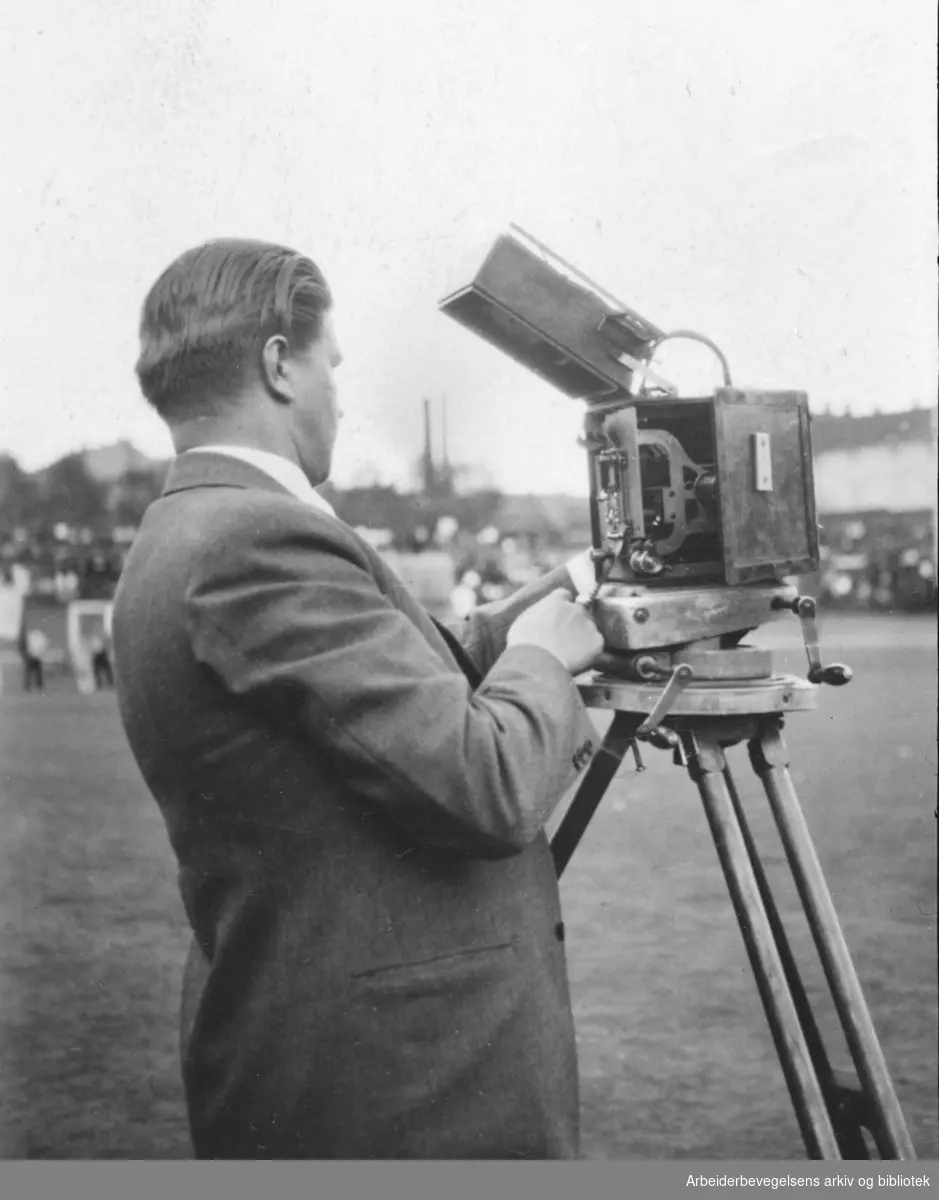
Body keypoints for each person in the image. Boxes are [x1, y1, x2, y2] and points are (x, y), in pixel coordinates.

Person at [111, 238, 605, 1161]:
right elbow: (483, 781)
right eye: (330, 364)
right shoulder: (255, 537)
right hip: (400, 1081)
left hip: (335, 1045)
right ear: (277, 365)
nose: (339, 391)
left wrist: (571, 589)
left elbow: (382, 685)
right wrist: (541, 663)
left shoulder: (194, 526)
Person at [22, 627, 48, 693]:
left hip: (32, 657)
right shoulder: (35, 636)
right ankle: (36, 685)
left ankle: (29, 686)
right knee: (35, 672)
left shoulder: (31, 636)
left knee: (31, 672)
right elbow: (43, 646)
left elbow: (26, 646)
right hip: (35, 657)